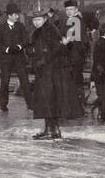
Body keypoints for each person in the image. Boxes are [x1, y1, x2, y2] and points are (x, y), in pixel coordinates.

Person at [26, 8, 83, 138]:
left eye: (39, 19)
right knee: (47, 100)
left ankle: (53, 130)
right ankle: (50, 129)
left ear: (45, 19)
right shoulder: (39, 31)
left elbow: (56, 49)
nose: (36, 22)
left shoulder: (49, 30)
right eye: (34, 20)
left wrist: (42, 60)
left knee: (49, 99)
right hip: (45, 70)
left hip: (51, 71)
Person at [0, 2, 29, 112]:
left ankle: (31, 104)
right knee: (5, 81)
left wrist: (19, 46)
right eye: (15, 14)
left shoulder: (20, 26)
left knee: (25, 80)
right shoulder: (1, 28)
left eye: (17, 14)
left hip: (19, 58)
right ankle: (3, 104)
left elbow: (26, 39)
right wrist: (6, 49)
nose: (17, 16)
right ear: (9, 15)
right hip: (6, 59)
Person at [62, 0, 97, 99]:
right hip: (75, 55)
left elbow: (74, 40)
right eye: (67, 9)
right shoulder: (72, 20)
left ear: (76, 9)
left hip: (74, 55)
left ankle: (78, 101)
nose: (69, 11)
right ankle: (78, 100)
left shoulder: (75, 20)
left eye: (71, 9)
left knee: (75, 78)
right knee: (76, 78)